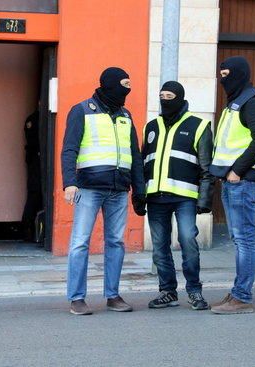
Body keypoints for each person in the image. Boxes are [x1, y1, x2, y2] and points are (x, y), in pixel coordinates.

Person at [61, 67, 146, 315]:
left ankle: (113, 295)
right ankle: (76, 298)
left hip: (119, 189)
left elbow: (135, 155)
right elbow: (69, 149)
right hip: (89, 188)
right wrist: (69, 182)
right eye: (124, 84)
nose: (127, 90)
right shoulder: (82, 111)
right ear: (109, 84)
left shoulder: (125, 115)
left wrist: (138, 191)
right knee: (79, 243)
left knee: (116, 242)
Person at [142, 81, 214, 311]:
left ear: (180, 97)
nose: (165, 99)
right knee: (159, 247)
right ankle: (168, 292)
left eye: (169, 95)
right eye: (161, 95)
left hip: (185, 197)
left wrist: (204, 200)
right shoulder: (151, 126)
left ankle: (194, 291)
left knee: (187, 241)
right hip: (155, 196)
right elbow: (144, 163)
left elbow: (206, 167)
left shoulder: (199, 125)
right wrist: (139, 195)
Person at [209, 56, 255, 314]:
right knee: (239, 239)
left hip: (243, 182)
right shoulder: (235, 102)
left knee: (244, 240)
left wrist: (237, 170)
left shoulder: (251, 102)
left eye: (227, 74)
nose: (223, 79)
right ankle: (238, 292)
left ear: (239, 74)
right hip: (233, 182)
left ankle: (242, 296)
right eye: (221, 74)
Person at [21, 106, 43, 242]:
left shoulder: (32, 119)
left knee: (34, 194)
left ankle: (29, 230)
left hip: (34, 160)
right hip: (36, 161)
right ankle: (28, 230)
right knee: (36, 193)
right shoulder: (35, 119)